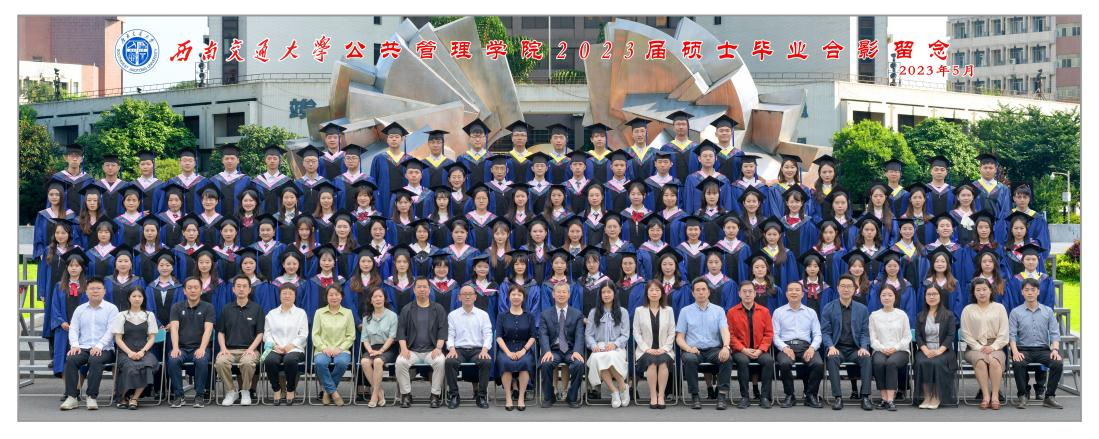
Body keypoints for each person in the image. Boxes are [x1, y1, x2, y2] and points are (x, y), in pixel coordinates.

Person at [59, 277, 119, 411]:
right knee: (71, 359)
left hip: (105, 349)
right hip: (83, 347)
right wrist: (74, 345)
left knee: (95, 359)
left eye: (98, 288)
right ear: (86, 291)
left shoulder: (111, 309)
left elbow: (111, 331)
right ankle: (72, 397)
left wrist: (99, 346)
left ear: (104, 291)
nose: (95, 291)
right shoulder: (80, 309)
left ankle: (91, 397)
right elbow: (73, 329)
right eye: (92, 289)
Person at [676, 277, 733, 410]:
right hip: (693, 350)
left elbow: (725, 331)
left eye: (703, 289)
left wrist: (726, 347)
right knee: (689, 359)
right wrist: (688, 349)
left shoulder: (718, 310)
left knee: (727, 358)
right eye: (697, 290)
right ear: (693, 293)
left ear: (708, 292)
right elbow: (679, 337)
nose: (701, 292)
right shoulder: (685, 311)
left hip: (713, 349)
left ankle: (722, 396)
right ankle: (695, 396)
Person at [820, 274, 875, 411]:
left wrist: (864, 347)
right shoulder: (828, 307)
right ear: (838, 288)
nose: (846, 289)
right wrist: (830, 346)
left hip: (855, 348)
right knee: (832, 358)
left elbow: (864, 332)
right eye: (843, 286)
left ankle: (865, 396)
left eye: (849, 286)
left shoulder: (862, 309)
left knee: (866, 358)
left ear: (854, 289)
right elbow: (825, 332)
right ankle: (838, 397)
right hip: (837, 347)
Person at [1008, 278, 1064, 409]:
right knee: (1018, 363)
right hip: (1023, 349)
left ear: (1038, 292)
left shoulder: (1048, 311)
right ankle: (1022, 395)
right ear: (1022, 292)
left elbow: (1055, 333)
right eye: (1026, 290)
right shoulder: (1015, 312)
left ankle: (1049, 397)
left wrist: (1055, 350)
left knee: (1057, 363)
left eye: (1033, 290)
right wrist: (1015, 352)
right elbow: (1011, 335)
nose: (1030, 293)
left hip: (1043, 349)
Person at [395, 277, 449, 408]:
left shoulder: (438, 309)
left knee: (440, 361)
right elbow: (401, 330)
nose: (422, 289)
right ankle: (406, 394)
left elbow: (443, 329)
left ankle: (435, 395)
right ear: (414, 290)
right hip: (412, 350)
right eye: (419, 287)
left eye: (425, 287)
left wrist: (438, 348)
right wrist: (404, 349)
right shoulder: (407, 309)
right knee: (400, 362)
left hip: (432, 350)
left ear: (430, 289)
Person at [772, 281, 824, 409]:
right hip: (786, 346)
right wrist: (784, 348)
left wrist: (812, 348)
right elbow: (774, 335)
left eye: (797, 290)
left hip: (806, 346)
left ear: (802, 294)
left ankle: (811, 395)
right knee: (784, 363)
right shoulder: (778, 312)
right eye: (790, 290)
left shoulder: (810, 312)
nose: (794, 292)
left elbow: (817, 334)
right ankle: (790, 395)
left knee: (818, 364)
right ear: (786, 294)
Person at [214, 276, 265, 406]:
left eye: (244, 286)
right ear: (233, 289)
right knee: (220, 362)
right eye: (238, 286)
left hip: (250, 350)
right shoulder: (226, 309)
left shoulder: (257, 309)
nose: (241, 289)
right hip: (229, 350)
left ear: (249, 289)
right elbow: (220, 332)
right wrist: (223, 349)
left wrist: (251, 349)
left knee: (247, 362)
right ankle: (231, 391)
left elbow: (260, 333)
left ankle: (246, 390)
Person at [960, 277, 1009, 410]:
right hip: (973, 347)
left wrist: (993, 347)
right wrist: (979, 347)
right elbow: (965, 333)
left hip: (996, 346)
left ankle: (995, 396)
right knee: (981, 361)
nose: (981, 293)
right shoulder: (968, 310)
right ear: (973, 292)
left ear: (990, 291)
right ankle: (986, 396)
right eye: (978, 290)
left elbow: (1004, 332)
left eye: (984, 289)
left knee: (994, 361)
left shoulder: (999, 308)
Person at [166, 277, 215, 408]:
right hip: (181, 348)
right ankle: (179, 395)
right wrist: (175, 348)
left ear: (201, 290)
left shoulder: (208, 307)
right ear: (184, 291)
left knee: (201, 360)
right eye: (189, 288)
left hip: (199, 347)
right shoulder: (176, 307)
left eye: (196, 287)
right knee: (173, 359)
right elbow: (174, 328)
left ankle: (199, 395)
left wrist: (202, 348)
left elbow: (208, 330)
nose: (193, 290)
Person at [727, 280, 775, 409]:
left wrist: (761, 350)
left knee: (769, 361)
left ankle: (764, 396)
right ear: (739, 294)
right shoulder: (732, 312)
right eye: (744, 292)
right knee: (742, 361)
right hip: (741, 350)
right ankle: (745, 397)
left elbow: (769, 333)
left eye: (750, 291)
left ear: (755, 293)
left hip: (760, 350)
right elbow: (730, 335)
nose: (747, 294)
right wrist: (743, 349)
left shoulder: (764, 311)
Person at [537, 282, 586, 408]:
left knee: (579, 364)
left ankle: (572, 397)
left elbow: (579, 335)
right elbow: (543, 335)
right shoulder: (545, 314)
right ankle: (549, 397)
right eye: (558, 292)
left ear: (569, 295)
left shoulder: (577, 314)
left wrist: (577, 351)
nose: (561, 294)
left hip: (571, 350)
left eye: (564, 292)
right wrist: (547, 351)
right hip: (553, 350)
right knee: (546, 363)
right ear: (553, 295)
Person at [444, 285, 494, 409]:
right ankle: (454, 395)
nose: (467, 296)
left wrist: (485, 350)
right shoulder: (453, 315)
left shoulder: (483, 315)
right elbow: (450, 335)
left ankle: (481, 396)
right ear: (459, 297)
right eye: (464, 294)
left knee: (486, 361)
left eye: (470, 294)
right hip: (458, 350)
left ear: (475, 297)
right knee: (450, 361)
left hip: (477, 350)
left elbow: (488, 334)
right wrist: (451, 349)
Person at [110, 286, 159, 410]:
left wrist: (142, 351)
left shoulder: (149, 315)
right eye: (134, 296)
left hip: (144, 351)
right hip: (125, 351)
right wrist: (130, 353)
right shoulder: (121, 315)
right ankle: (123, 397)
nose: (137, 299)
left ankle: (134, 398)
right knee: (130, 367)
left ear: (143, 298)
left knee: (148, 366)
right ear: (129, 298)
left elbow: (152, 338)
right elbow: (118, 339)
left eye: (140, 296)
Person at [585, 283, 631, 408]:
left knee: (610, 356)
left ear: (614, 294)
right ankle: (614, 390)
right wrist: (593, 345)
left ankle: (622, 386)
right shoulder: (593, 312)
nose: (606, 295)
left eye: (609, 292)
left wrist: (615, 344)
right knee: (597, 358)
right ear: (600, 295)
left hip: (617, 347)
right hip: (599, 346)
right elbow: (588, 334)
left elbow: (625, 335)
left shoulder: (623, 312)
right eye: (603, 292)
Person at [262, 282, 308, 406]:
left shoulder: (301, 313)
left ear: (295, 296)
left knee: (290, 360)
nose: (287, 296)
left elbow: (303, 334)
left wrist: (291, 345)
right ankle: (276, 389)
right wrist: (274, 345)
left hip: (295, 349)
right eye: (284, 293)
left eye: (290, 293)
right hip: (275, 348)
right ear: (279, 295)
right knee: (270, 360)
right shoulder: (272, 314)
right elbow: (267, 334)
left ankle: (290, 389)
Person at [869, 283, 912, 411]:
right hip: (880, 349)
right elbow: (873, 338)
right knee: (878, 362)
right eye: (884, 295)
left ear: (895, 297)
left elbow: (907, 337)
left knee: (891, 363)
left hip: (900, 350)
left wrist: (896, 348)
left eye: (890, 295)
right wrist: (882, 348)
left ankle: (890, 400)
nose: (886, 298)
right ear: (880, 297)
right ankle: (884, 398)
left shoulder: (902, 315)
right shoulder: (874, 315)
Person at [633, 281, 675, 409]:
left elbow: (672, 332)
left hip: (664, 349)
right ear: (646, 293)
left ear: (662, 293)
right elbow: (636, 332)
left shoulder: (668, 310)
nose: (654, 293)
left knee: (662, 363)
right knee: (651, 363)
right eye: (651, 290)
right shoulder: (639, 311)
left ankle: (661, 396)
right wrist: (647, 349)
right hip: (645, 350)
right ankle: (653, 396)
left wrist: (665, 348)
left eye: (657, 290)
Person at [311, 285, 356, 406]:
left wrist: (340, 348)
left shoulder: (348, 313)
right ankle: (334, 393)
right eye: (331, 295)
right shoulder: (319, 313)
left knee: (341, 363)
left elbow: (351, 336)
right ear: (326, 297)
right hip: (323, 349)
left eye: (337, 294)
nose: (334, 297)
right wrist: (323, 347)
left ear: (341, 297)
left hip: (342, 349)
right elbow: (315, 334)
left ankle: (327, 391)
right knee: (320, 363)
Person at [914, 284, 957, 409]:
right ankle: (927, 396)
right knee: (922, 362)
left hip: (944, 350)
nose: (931, 297)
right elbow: (918, 336)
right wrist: (925, 350)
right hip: (925, 349)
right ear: (925, 297)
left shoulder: (948, 315)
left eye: (934, 294)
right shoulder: (920, 315)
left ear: (940, 296)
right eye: (929, 294)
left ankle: (937, 396)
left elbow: (950, 335)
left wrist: (939, 351)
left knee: (936, 362)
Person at [497, 284, 537, 411]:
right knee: (505, 362)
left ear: (523, 297)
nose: (516, 297)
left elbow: (533, 336)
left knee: (525, 362)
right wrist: (508, 352)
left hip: (524, 348)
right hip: (506, 347)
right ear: (508, 297)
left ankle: (521, 397)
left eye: (519, 295)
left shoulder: (529, 316)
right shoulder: (502, 316)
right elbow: (499, 337)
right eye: (513, 294)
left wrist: (523, 351)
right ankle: (508, 397)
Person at [360, 287, 399, 408]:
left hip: (388, 348)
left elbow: (392, 337)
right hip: (372, 348)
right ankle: (379, 392)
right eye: (375, 297)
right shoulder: (366, 318)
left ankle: (374, 394)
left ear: (385, 299)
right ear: (371, 300)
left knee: (377, 361)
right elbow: (364, 339)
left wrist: (381, 350)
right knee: (364, 361)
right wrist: (370, 350)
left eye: (380, 296)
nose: (378, 299)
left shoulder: (392, 316)